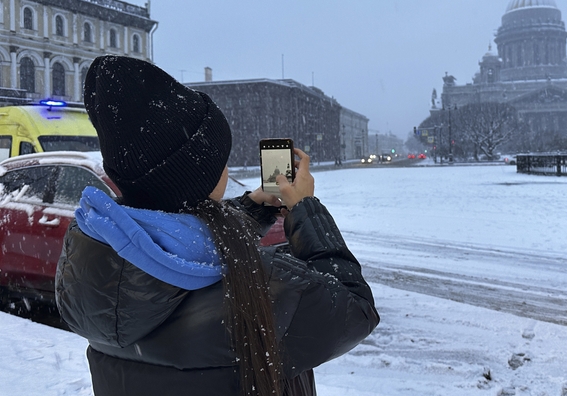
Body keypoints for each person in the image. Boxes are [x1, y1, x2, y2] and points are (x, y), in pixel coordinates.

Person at [55, 55, 380, 396]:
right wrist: (305, 209)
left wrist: (253, 207)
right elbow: (355, 308)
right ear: (200, 177)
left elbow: (180, 240)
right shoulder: (256, 287)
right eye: (221, 160)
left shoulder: (95, 259)